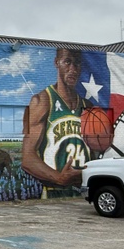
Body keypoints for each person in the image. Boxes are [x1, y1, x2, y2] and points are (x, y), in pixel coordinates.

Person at [22, 48, 93, 192]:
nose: (72, 69)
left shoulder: (88, 106)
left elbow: (95, 151)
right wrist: (58, 177)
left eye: (77, 63)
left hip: (85, 191)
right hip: (54, 192)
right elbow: (27, 158)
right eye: (67, 62)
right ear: (57, 63)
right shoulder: (42, 101)